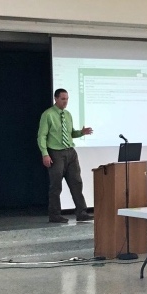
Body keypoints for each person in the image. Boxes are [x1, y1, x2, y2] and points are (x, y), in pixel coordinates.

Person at [37, 88, 95, 223]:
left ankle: (81, 212)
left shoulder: (68, 114)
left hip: (71, 152)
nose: (65, 102)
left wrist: (81, 132)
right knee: (56, 185)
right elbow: (41, 136)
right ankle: (55, 215)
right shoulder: (48, 115)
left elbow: (70, 134)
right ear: (55, 99)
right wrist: (45, 154)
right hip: (55, 153)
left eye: (67, 99)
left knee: (76, 182)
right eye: (63, 99)